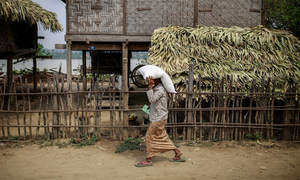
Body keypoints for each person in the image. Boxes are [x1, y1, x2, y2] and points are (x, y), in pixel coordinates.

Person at [135, 77, 185, 167]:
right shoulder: (157, 88)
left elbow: (152, 99)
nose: (150, 80)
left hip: (158, 118)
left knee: (149, 137)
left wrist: (150, 87)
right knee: (163, 136)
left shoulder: (160, 89)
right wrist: (150, 107)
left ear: (157, 80)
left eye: (152, 79)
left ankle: (148, 159)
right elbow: (155, 102)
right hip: (158, 117)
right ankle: (177, 152)